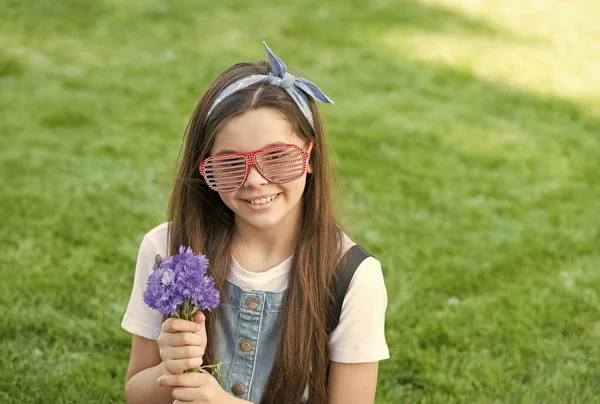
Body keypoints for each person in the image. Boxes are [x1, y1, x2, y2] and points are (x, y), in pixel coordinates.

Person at [121, 42, 389, 404]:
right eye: (230, 164)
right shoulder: (167, 250)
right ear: (204, 169)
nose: (254, 180)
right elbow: (137, 394)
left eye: (277, 157)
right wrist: (170, 367)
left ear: (311, 156)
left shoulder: (352, 275)